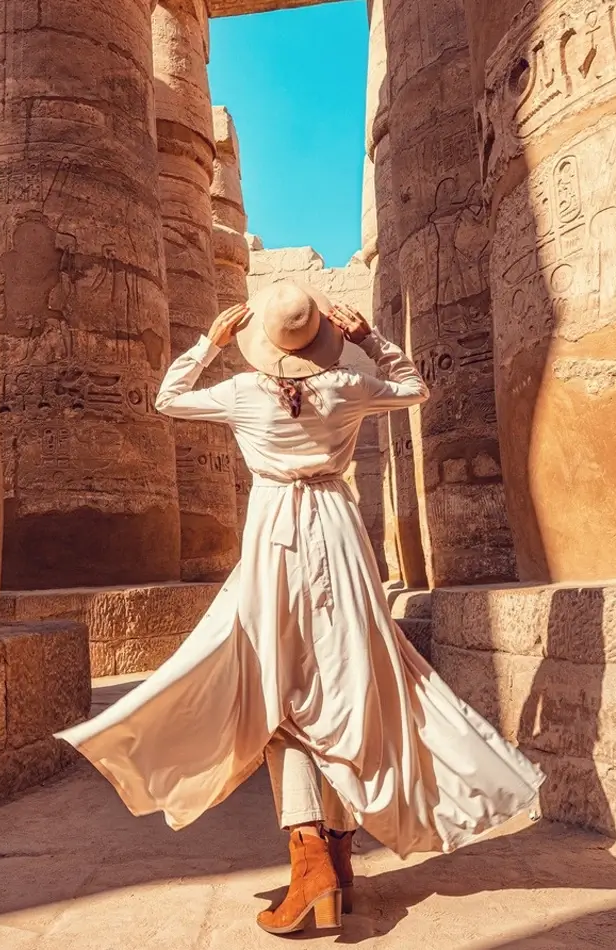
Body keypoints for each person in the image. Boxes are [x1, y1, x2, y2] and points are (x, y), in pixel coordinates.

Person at [57, 279, 545, 935]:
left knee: (279, 697)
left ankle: (311, 854)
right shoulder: (346, 389)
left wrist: (208, 342)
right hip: (339, 537)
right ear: (322, 338)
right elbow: (414, 387)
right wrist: (369, 338)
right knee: (343, 692)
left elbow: (168, 397)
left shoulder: (240, 394)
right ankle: (336, 859)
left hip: (275, 542)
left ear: (260, 344)